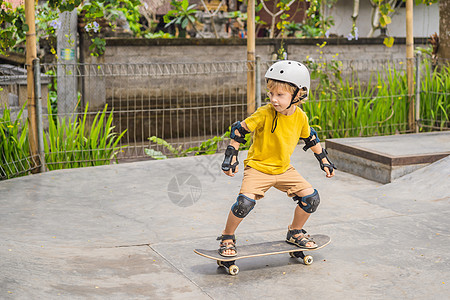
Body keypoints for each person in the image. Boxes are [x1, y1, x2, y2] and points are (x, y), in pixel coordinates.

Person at [218, 60, 336, 257]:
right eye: (271, 94)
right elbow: (239, 129)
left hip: (284, 169)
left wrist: (323, 159)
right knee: (243, 204)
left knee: (311, 198)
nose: (273, 99)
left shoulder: (300, 117)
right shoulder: (264, 113)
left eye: (280, 95)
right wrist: (231, 155)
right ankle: (227, 236)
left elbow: (310, 137)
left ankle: (295, 231)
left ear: (299, 95)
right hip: (257, 168)